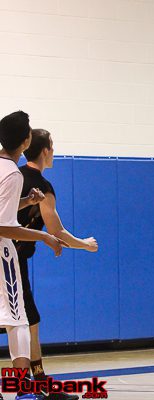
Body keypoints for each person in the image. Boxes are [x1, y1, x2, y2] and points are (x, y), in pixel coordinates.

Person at [10, 128, 98, 400]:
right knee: (26, 323)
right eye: (52, 145)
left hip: (11, 258)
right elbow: (56, 231)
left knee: (25, 321)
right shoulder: (42, 187)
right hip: (10, 261)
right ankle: (31, 386)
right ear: (45, 150)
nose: (54, 151)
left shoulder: (14, 176)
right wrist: (85, 244)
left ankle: (35, 384)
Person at [0, 111, 64, 400]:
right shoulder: (12, 173)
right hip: (2, 255)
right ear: (26, 141)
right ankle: (23, 390)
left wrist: (26, 201)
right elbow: (3, 226)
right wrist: (44, 236)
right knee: (18, 321)